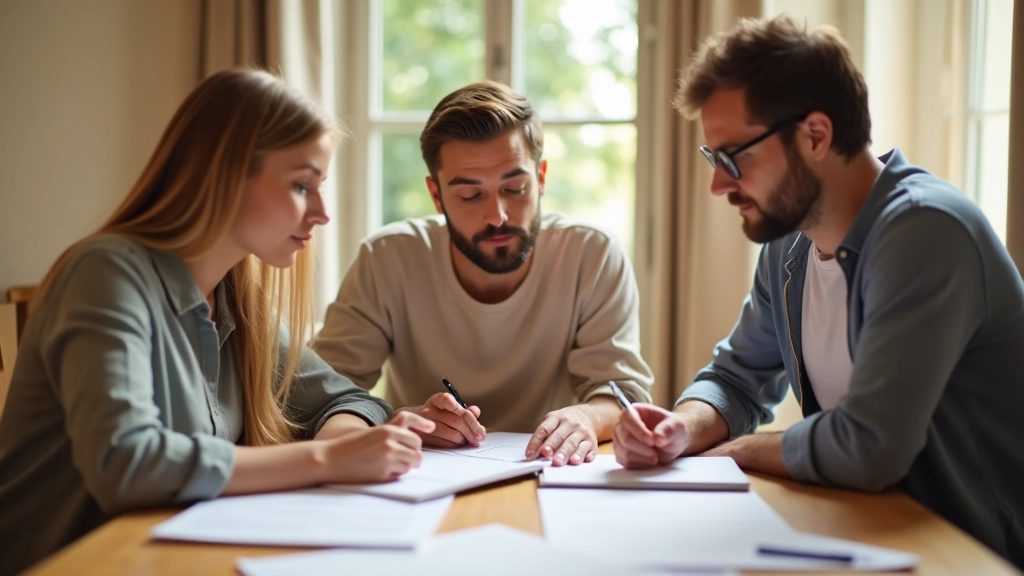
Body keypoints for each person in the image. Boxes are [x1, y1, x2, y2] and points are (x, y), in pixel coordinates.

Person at [612, 16, 1024, 568]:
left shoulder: (925, 230)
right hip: (868, 535)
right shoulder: (790, 244)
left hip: (968, 553)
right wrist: (681, 430)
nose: (718, 185)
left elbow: (868, 447)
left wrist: (734, 451)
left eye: (734, 158)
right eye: (714, 160)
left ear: (816, 135)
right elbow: (736, 378)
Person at [0, 68, 433, 575]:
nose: (321, 213)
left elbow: (348, 397)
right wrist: (328, 462)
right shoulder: (106, 273)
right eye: (301, 185)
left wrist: (344, 440)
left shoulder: (235, 299)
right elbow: (127, 462)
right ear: (224, 176)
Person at [315, 81, 653, 466]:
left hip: (549, 470)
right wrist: (400, 419)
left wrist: (585, 417)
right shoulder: (387, 258)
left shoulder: (592, 256)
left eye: (515, 187)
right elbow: (326, 392)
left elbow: (622, 390)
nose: (498, 216)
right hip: (423, 471)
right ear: (436, 195)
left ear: (541, 178)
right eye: (470, 195)